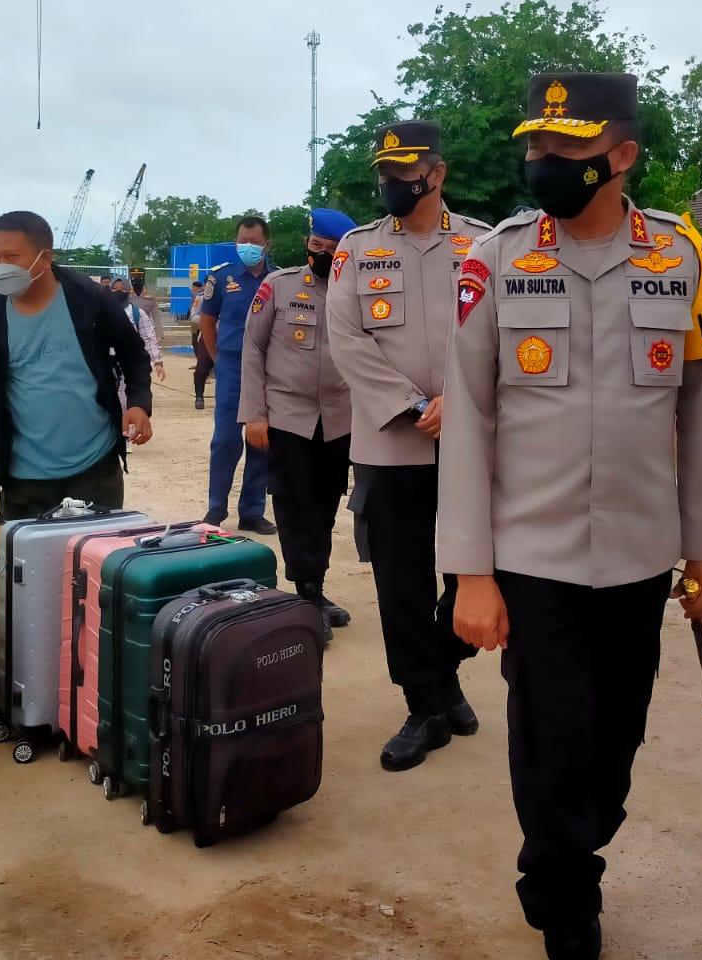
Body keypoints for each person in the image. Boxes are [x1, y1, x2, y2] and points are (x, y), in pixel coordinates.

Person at [439, 73, 702, 960]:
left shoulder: (681, 258)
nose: (544, 161)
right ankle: (564, 888)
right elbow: (469, 418)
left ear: (622, 156)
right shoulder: (495, 259)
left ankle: (576, 844)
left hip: (641, 553)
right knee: (553, 735)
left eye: (566, 147)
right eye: (536, 145)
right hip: (532, 556)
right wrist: (470, 571)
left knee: (617, 735)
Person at [327, 118, 490, 771]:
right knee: (401, 582)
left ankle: (443, 671)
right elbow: (346, 339)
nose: (392, 183)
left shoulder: (483, 245)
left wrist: (460, 401)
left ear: (436, 174)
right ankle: (426, 705)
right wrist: (416, 404)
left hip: (470, 441)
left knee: (479, 567)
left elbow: (502, 335)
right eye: (385, 173)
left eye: (404, 172)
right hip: (391, 443)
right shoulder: (358, 250)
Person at [0, 210, 154, 517]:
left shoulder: (88, 298)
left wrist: (139, 403)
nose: (0, 267)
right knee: (24, 550)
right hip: (23, 479)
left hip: (95, 467)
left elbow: (133, 353)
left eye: (11, 257)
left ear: (44, 258)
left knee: (93, 549)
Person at [239, 209, 356, 640]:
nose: (321, 254)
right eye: (316, 246)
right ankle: (306, 595)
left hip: (339, 420)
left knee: (325, 507)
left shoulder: (357, 291)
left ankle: (315, 589)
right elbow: (253, 348)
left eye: (331, 249)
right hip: (287, 417)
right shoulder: (279, 285)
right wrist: (254, 414)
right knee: (294, 505)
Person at [201, 216, 276, 533]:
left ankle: (252, 511)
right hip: (232, 366)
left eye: (254, 242)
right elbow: (207, 321)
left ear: (266, 244)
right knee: (225, 441)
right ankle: (216, 508)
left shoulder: (278, 279)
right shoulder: (221, 277)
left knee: (261, 441)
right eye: (242, 241)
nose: (248, 247)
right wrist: (217, 358)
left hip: (268, 370)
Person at [109, 275, 167, 404]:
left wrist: (157, 362)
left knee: (127, 403)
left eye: (122, 289)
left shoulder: (137, 313)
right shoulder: (99, 311)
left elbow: (149, 338)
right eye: (114, 288)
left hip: (129, 367)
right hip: (106, 366)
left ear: (128, 291)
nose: (118, 292)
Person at [188, 279, 213, 410]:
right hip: (208, 335)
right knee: (202, 367)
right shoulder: (202, 298)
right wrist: (208, 320)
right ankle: (199, 396)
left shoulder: (229, 295)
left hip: (227, 335)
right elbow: (194, 316)